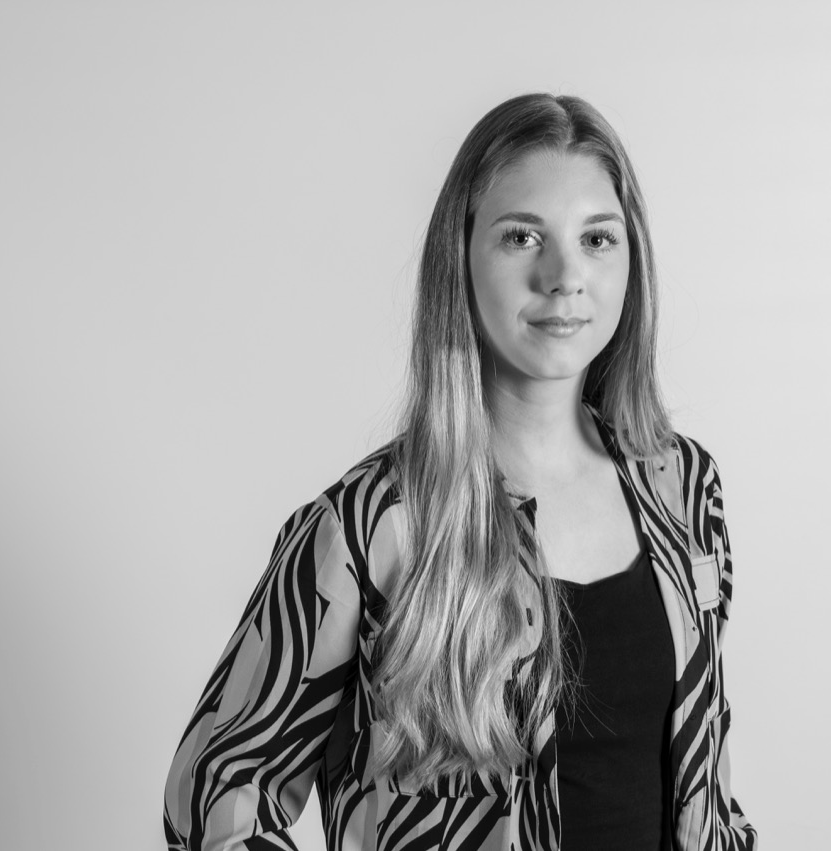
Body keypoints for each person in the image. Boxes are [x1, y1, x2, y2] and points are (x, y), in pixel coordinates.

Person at [163, 93, 757, 851]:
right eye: (521, 236)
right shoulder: (373, 525)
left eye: (597, 238)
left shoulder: (683, 488)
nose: (564, 275)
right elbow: (217, 796)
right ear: (461, 256)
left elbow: (706, 789)